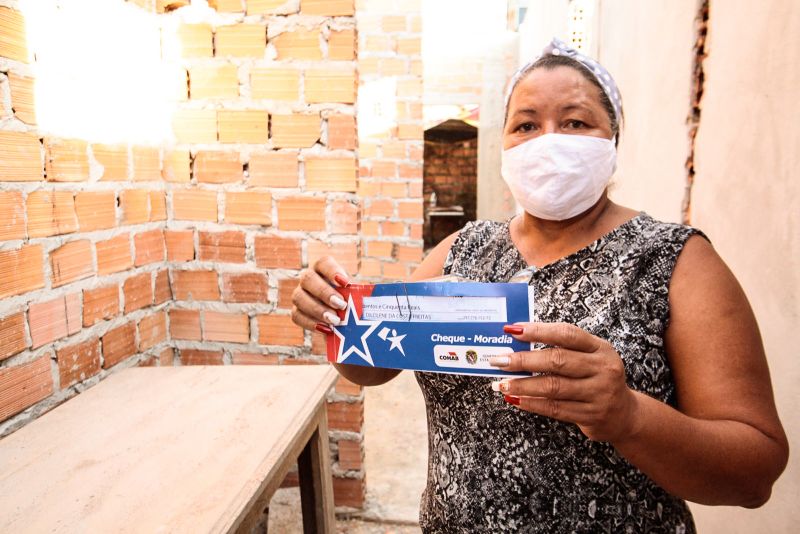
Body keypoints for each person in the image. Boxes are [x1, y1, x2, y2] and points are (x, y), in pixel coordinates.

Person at [291, 38, 788, 533]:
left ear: (612, 138)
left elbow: (754, 473)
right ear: (505, 145)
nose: (548, 140)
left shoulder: (677, 261)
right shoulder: (462, 250)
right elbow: (375, 368)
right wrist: (338, 318)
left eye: (575, 121)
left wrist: (629, 417)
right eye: (526, 125)